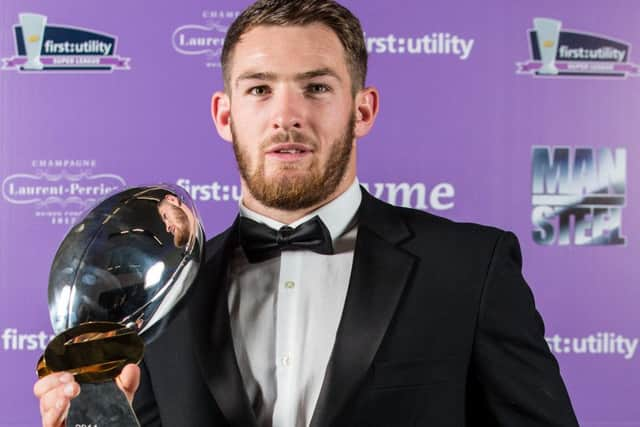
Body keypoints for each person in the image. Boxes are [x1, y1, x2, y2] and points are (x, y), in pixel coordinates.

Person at [34, 0, 579, 425]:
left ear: (362, 109)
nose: (286, 115)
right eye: (260, 89)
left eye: (316, 87)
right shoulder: (158, 293)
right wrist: (90, 421)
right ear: (225, 115)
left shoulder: (469, 268)